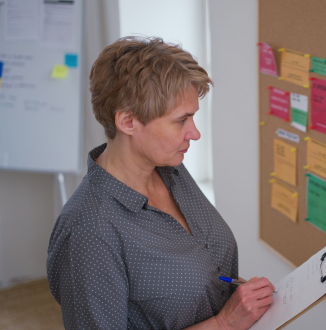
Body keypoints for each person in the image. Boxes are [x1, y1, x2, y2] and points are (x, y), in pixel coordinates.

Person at [47, 36, 275, 329]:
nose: (194, 133)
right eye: (182, 120)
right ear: (128, 122)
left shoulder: (171, 169)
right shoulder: (89, 228)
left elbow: (199, 276)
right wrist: (224, 323)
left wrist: (244, 298)